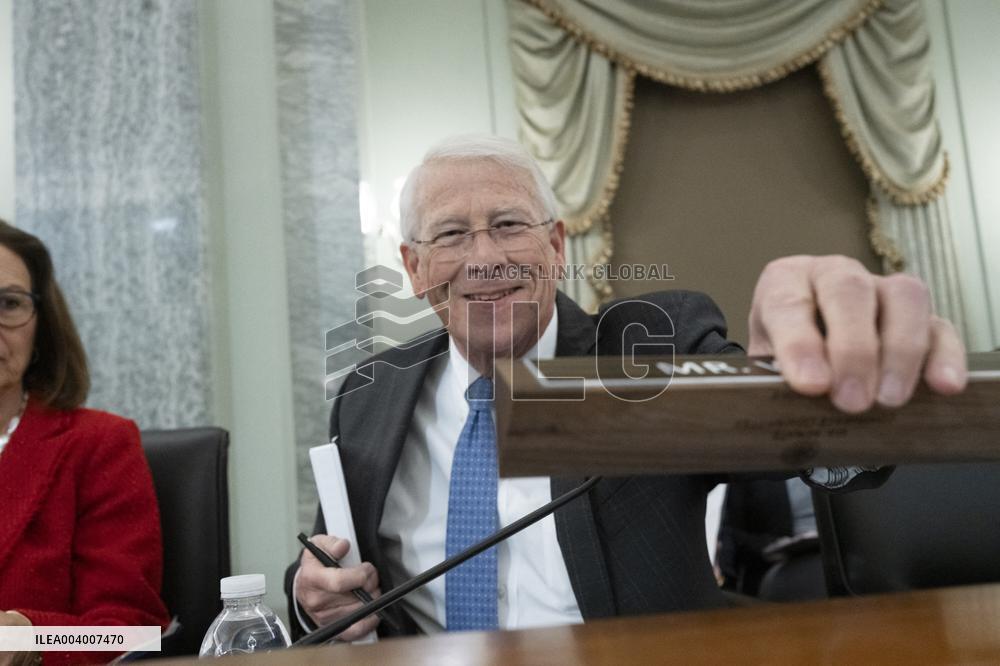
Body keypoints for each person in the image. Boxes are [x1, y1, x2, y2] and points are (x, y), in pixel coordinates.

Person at [285, 135, 966, 640]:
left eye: (509, 226)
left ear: (556, 248)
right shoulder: (370, 391)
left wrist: (835, 388)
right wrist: (312, 596)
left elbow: (806, 450)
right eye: (452, 235)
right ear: (413, 265)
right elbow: (330, 570)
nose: (484, 258)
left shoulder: (650, 346)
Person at [0, 220, 170, 665]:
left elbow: (133, 634)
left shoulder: (99, 445)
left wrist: (33, 638)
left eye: (8, 303)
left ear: (41, 326)